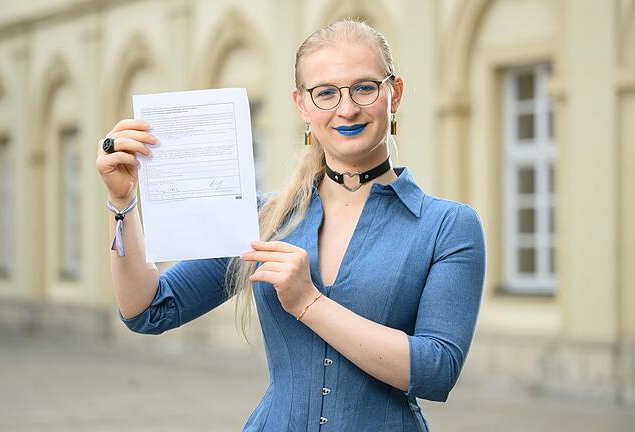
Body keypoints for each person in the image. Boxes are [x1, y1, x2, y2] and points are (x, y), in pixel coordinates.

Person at [95, 19, 485, 432]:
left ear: (395, 93)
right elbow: (148, 310)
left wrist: (308, 302)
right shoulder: (263, 219)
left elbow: (437, 369)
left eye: (365, 87)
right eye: (326, 93)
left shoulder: (448, 226)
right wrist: (122, 203)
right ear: (302, 105)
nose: (346, 108)